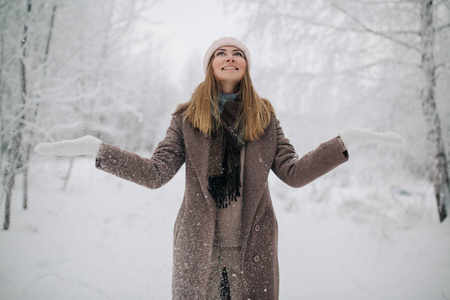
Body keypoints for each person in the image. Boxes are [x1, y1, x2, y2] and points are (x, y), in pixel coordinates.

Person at [35, 37, 402, 300]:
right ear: (211, 64)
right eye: (221, 53)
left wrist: (343, 143)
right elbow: (155, 173)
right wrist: (98, 150)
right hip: (200, 249)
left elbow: (294, 173)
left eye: (237, 53)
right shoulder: (186, 118)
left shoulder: (265, 118)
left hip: (251, 247)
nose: (230, 57)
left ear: (246, 66)